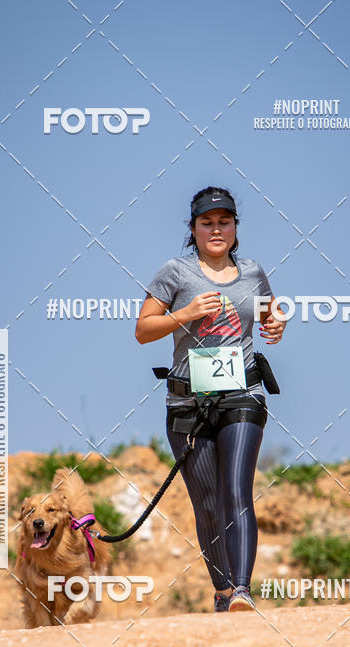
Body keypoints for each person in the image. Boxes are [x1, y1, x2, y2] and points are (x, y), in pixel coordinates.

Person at [135, 186, 285, 613]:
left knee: (236, 491)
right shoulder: (175, 273)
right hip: (188, 404)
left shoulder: (253, 272)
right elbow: (143, 330)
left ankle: (241, 590)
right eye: (207, 223)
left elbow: (269, 314)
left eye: (225, 221)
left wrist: (276, 325)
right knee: (207, 502)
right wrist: (185, 314)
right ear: (194, 229)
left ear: (236, 228)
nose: (216, 229)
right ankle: (222, 591)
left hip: (243, 395)